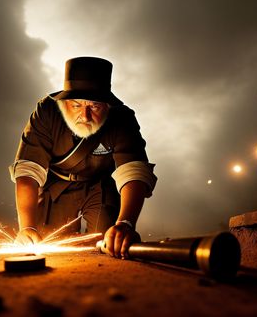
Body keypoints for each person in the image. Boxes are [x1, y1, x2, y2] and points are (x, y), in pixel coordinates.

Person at [9, 56, 157, 259]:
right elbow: (28, 170)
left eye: (94, 106)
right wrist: (26, 227)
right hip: (56, 187)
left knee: (110, 243)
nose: (85, 116)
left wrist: (126, 223)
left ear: (107, 106)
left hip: (100, 187)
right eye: (77, 105)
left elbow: (133, 171)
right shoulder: (46, 112)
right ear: (64, 102)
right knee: (47, 245)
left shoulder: (122, 119)